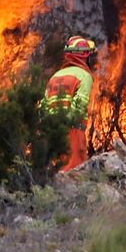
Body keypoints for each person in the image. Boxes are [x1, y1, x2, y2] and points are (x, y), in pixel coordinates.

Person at [42, 35, 97, 171]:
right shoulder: (84, 75)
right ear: (84, 56)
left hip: (52, 131)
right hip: (73, 130)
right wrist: (68, 123)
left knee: (56, 171)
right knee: (75, 171)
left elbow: (44, 105)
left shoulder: (55, 76)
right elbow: (80, 105)